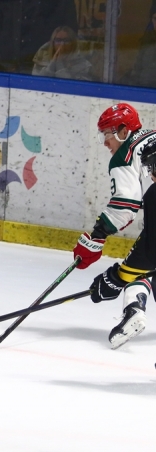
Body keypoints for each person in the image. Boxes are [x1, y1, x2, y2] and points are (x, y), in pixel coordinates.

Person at [73, 103, 156, 348]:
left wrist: (97, 237)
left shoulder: (125, 155)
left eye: (107, 134)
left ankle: (134, 308)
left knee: (143, 264)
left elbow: (125, 206)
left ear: (123, 131)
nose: (105, 142)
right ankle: (134, 309)